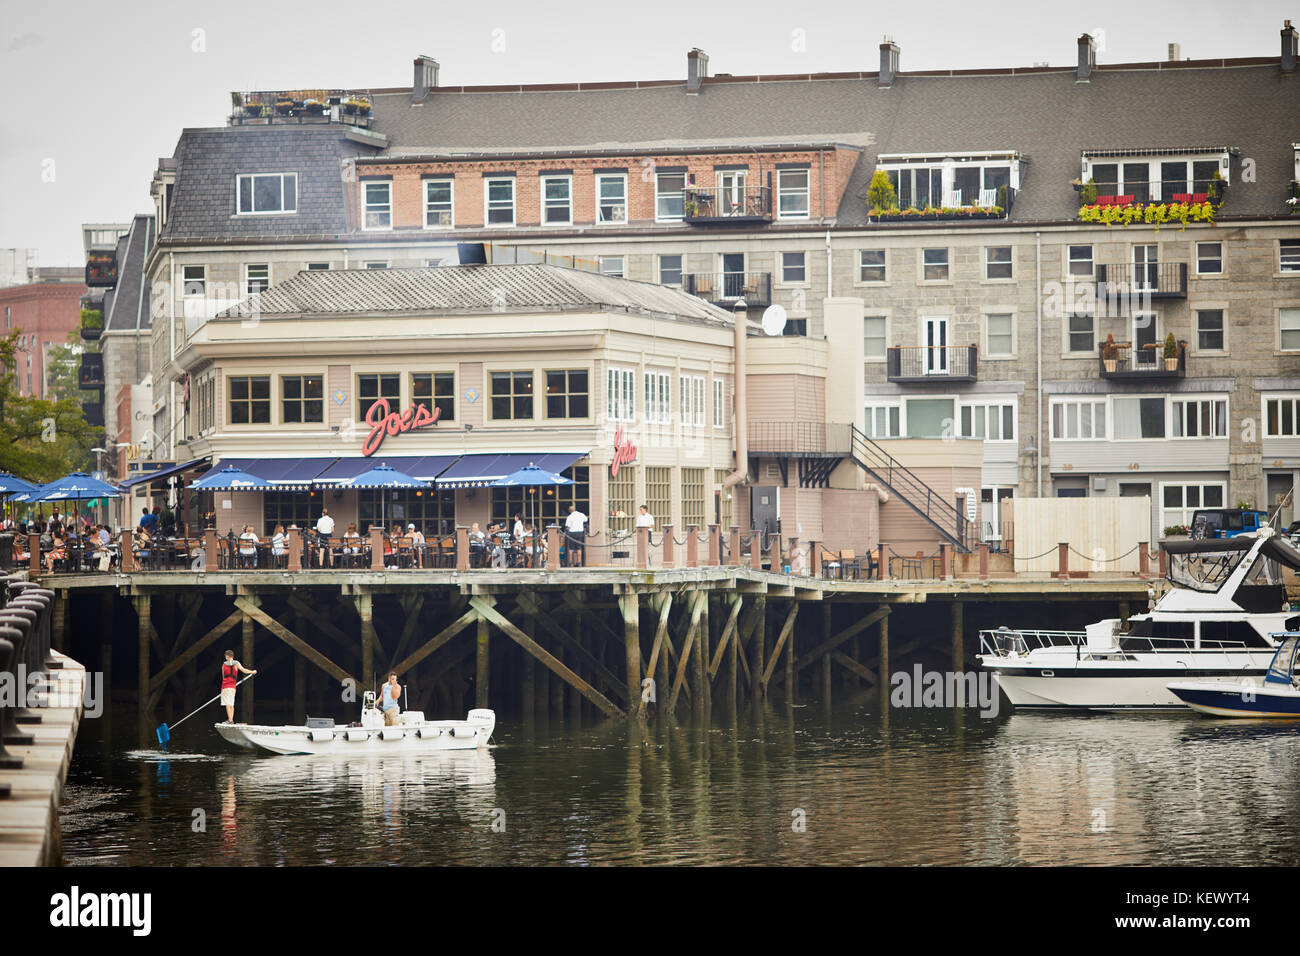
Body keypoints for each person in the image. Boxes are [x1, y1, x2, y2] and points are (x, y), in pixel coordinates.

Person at [219, 649, 257, 723]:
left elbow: (223, 677)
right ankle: (231, 719)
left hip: (225, 686)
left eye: (226, 656)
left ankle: (230, 720)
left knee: (227, 703)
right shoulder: (237, 663)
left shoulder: (223, 665)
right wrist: (252, 672)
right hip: (233, 687)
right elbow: (244, 670)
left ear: (227, 656)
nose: (225, 657)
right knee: (231, 703)